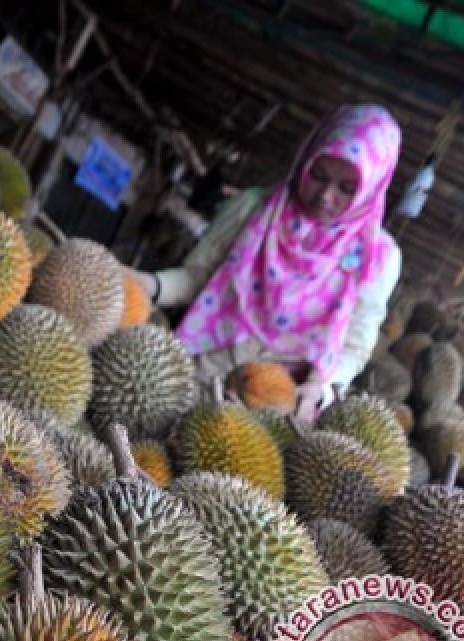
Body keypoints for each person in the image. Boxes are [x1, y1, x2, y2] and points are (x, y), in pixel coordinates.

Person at [127, 105, 403, 421]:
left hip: (276, 407)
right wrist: (146, 284)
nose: (325, 196)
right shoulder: (253, 208)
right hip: (197, 373)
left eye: (346, 188)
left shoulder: (378, 257)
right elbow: (199, 277)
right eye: (318, 175)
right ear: (306, 159)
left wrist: (320, 388)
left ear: (373, 186)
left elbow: (356, 346)